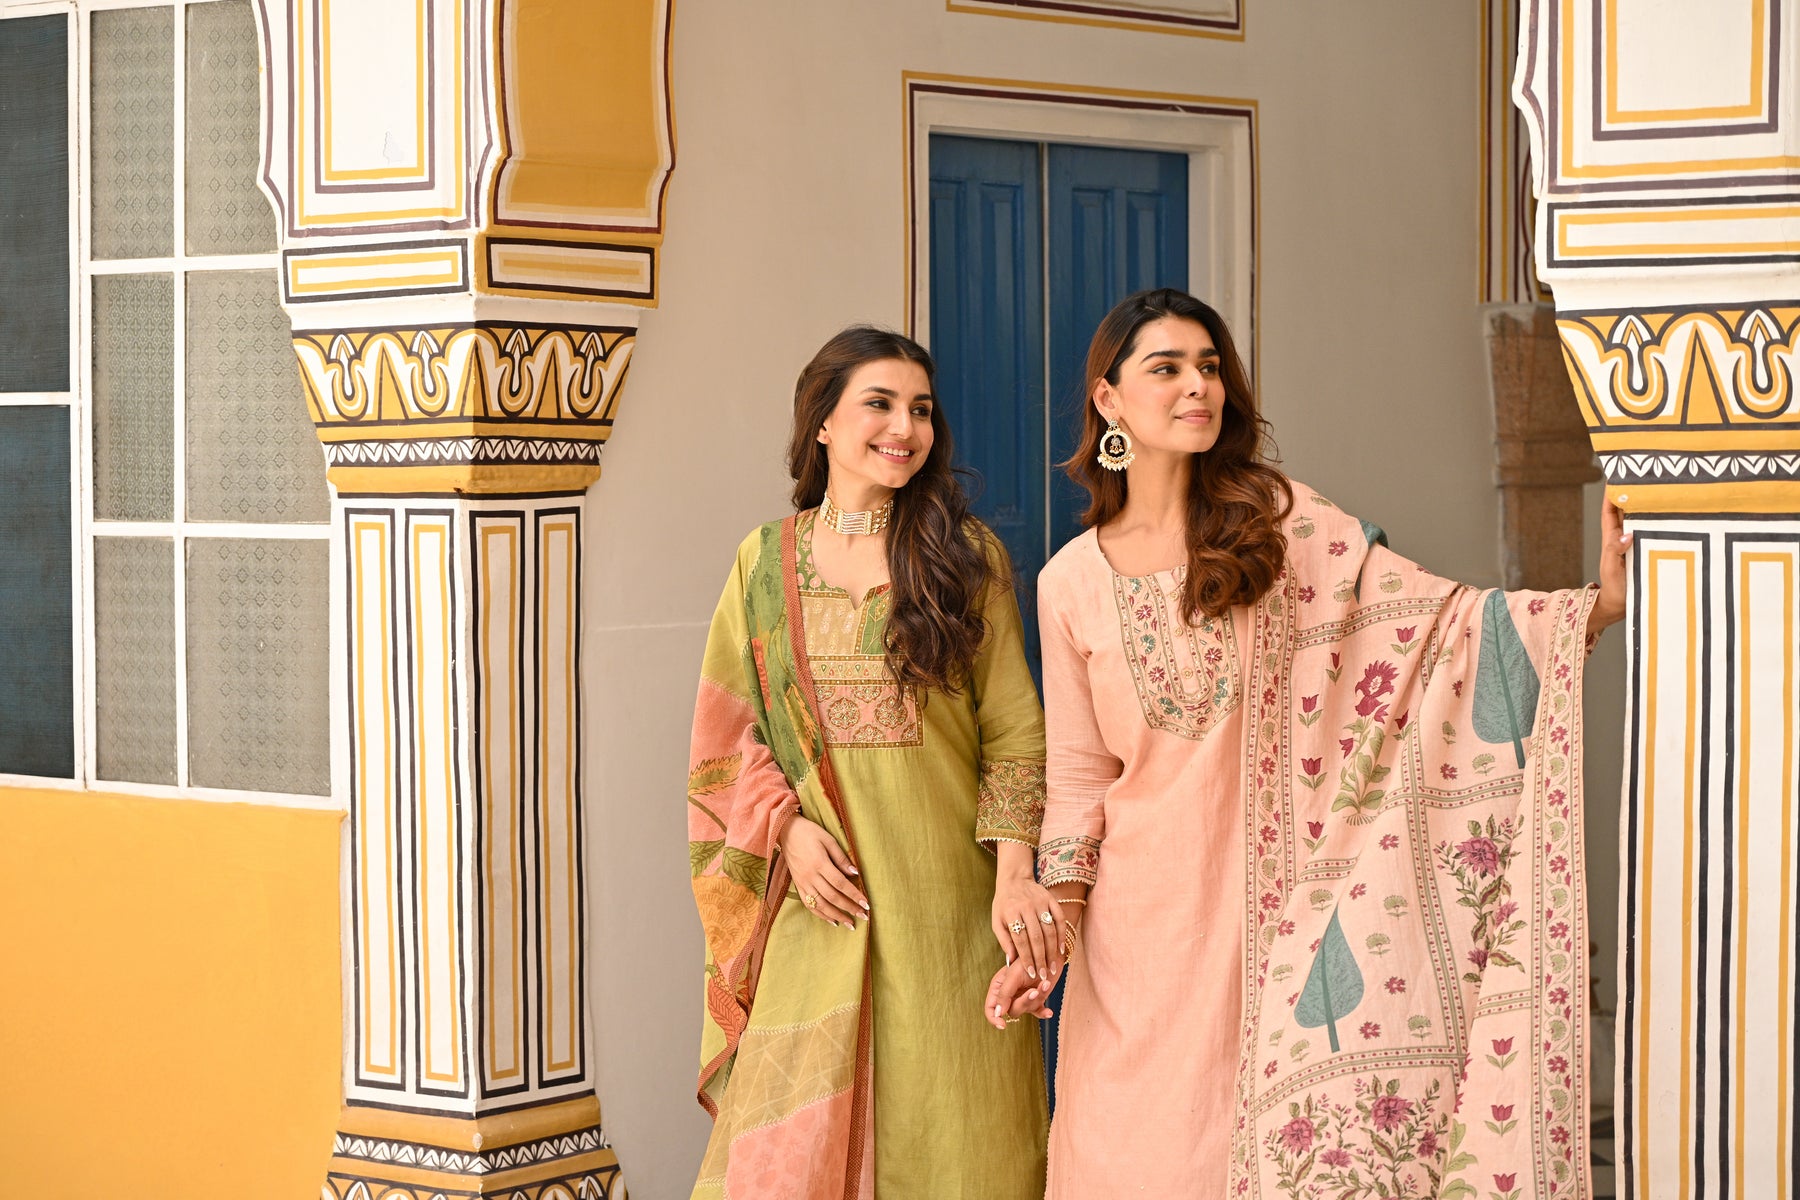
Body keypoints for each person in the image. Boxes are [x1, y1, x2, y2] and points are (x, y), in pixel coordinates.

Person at [986, 288, 1628, 1198]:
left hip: (1281, 927)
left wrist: (1592, 607)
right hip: (1137, 947)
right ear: (1109, 399)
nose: (1198, 386)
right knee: (1122, 1161)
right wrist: (1046, 941)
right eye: (1166, 368)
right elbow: (1081, 780)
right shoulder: (1068, 583)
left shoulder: (1284, 528)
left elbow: (1439, 631)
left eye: (1209, 367)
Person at [687, 326, 1056, 1200]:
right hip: (821, 909)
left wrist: (1014, 876)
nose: (905, 427)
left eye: (920, 409)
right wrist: (788, 833)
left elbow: (1014, 733)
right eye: (880, 404)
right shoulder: (765, 564)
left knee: (966, 1153)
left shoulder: (964, 558)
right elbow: (728, 739)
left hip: (952, 921)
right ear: (822, 422)